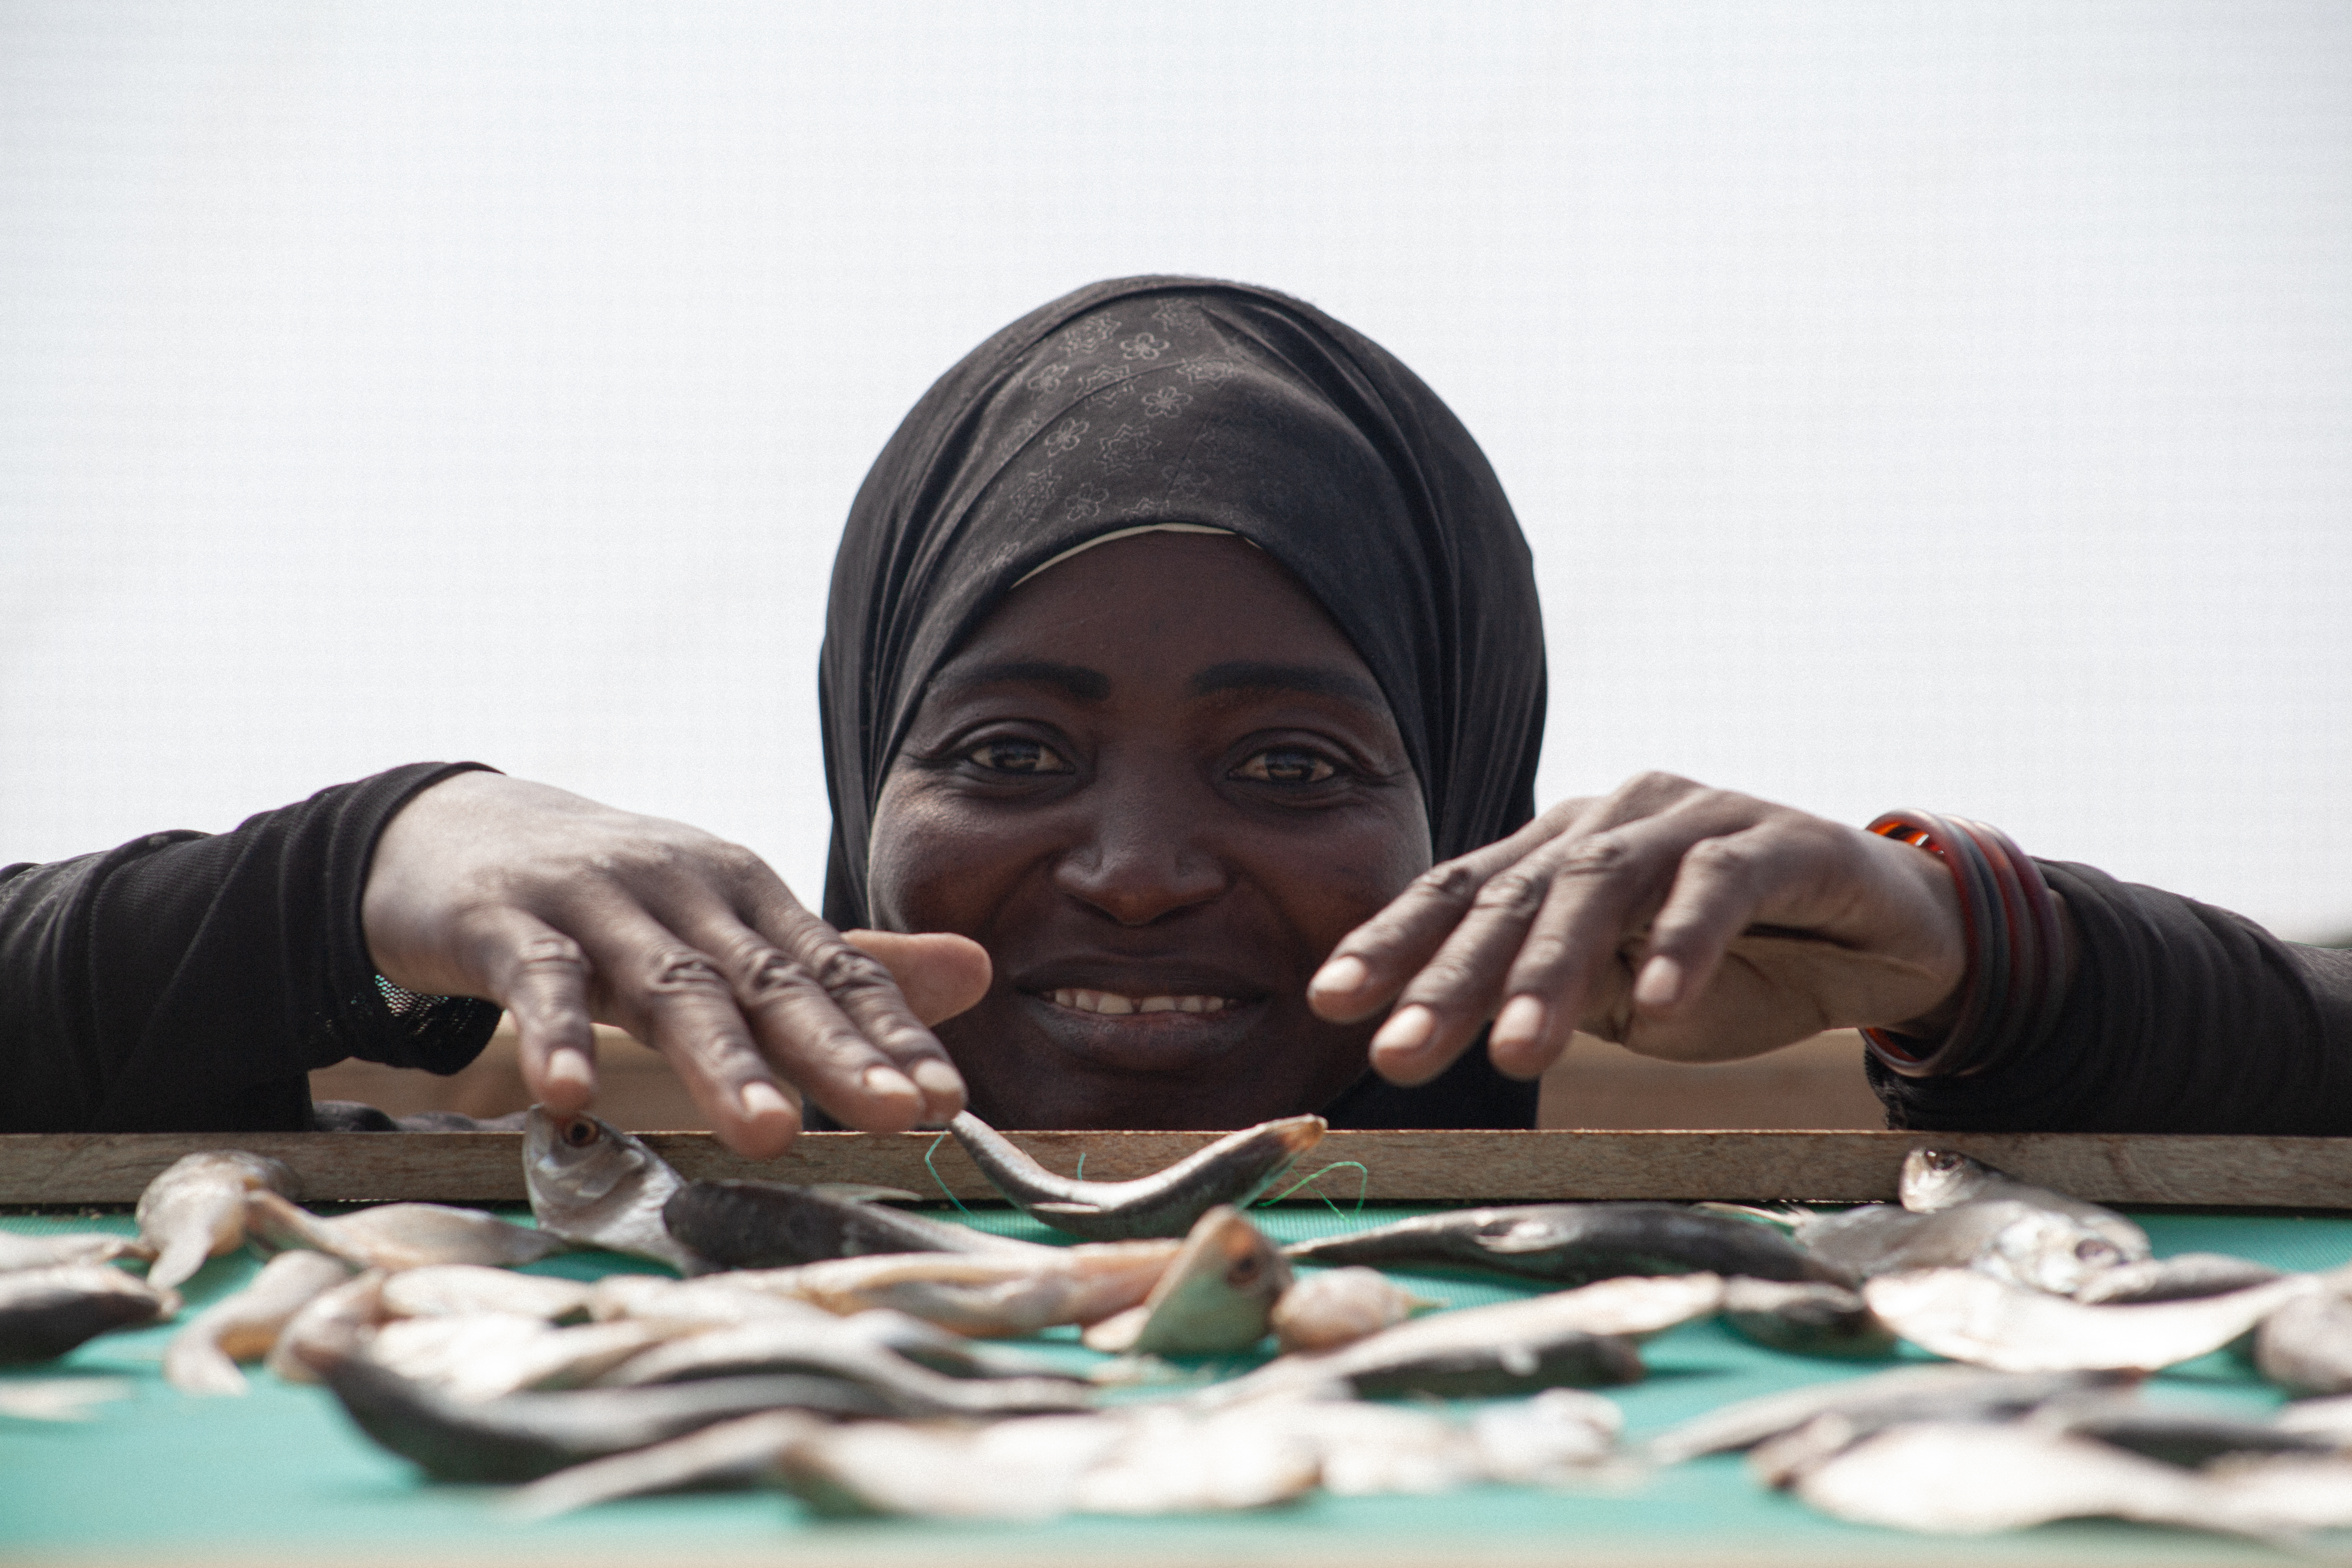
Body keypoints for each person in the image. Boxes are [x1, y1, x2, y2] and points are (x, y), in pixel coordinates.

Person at [6, 278, 2349, 1148]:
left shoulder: (1703, 1066)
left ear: (1476, 799)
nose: (1132, 864)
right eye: (1007, 753)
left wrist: (1976, 950)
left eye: (1295, 764)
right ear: (862, 770)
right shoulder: (564, 1056)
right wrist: (362, 865)